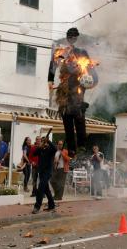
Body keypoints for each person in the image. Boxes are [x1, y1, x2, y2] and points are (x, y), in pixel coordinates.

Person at [48, 27, 98, 158]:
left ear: (77, 38)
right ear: (67, 38)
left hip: (78, 87)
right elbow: (53, 65)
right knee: (67, 120)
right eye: (70, 37)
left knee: (79, 117)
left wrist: (93, 79)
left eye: (74, 37)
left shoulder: (82, 52)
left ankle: (81, 146)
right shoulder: (62, 51)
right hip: (64, 91)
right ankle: (72, 149)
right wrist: (50, 80)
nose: (72, 39)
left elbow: (91, 68)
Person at [32, 136, 57, 214]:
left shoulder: (50, 150)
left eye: (44, 141)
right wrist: (39, 146)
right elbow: (34, 153)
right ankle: (52, 206)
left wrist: (49, 141)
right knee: (47, 190)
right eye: (42, 141)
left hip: (48, 172)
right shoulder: (40, 149)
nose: (43, 142)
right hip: (41, 172)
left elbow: (55, 149)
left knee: (40, 188)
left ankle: (37, 207)